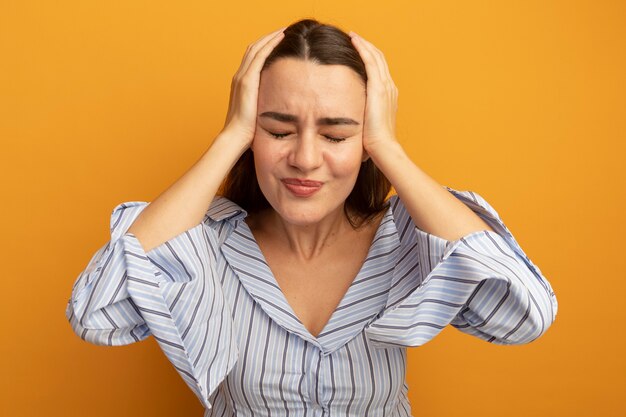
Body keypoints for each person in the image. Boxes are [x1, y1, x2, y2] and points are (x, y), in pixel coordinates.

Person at [65, 18, 558, 417]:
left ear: (365, 143)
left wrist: (387, 146)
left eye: (336, 135)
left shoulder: (406, 240)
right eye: (278, 129)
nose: (304, 158)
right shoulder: (205, 240)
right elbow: (97, 315)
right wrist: (230, 135)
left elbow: (525, 315)